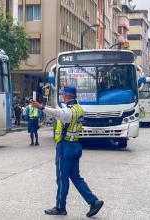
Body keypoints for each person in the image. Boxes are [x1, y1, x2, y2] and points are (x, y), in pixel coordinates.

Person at [34, 86, 104, 217]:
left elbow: (58, 113)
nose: (62, 97)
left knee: (62, 179)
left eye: (63, 95)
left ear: (66, 96)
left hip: (65, 147)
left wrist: (41, 107)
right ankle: (94, 201)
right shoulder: (79, 109)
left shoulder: (68, 111)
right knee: (76, 177)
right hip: (75, 145)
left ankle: (60, 207)